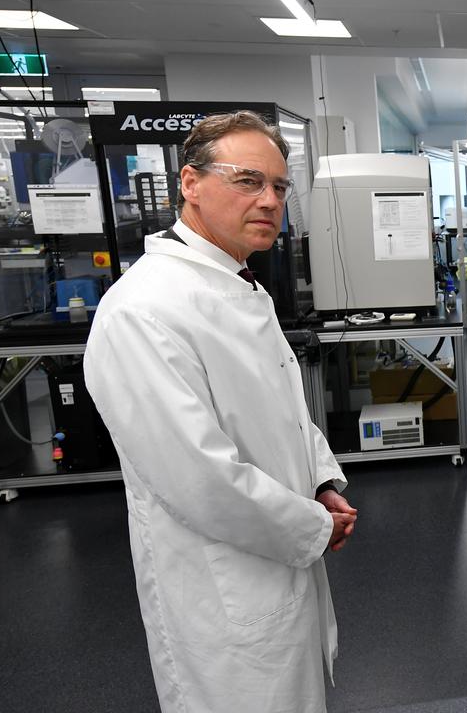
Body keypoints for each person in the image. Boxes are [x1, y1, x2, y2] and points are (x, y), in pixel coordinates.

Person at [84, 111, 356, 713]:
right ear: (189, 183)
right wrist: (312, 527)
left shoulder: (238, 285)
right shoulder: (143, 311)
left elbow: (285, 411)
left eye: (280, 187)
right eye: (247, 181)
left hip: (278, 551)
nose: (269, 200)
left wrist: (319, 481)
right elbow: (200, 478)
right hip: (223, 589)